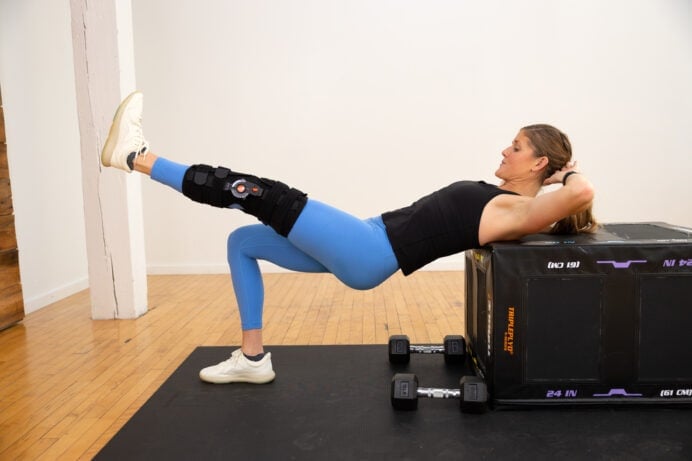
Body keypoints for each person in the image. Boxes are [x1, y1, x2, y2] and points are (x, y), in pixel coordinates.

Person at [101, 91, 596, 384]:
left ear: (539, 163)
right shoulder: (504, 195)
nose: (504, 150)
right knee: (244, 241)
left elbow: (583, 193)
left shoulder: (519, 210)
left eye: (517, 147)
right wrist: (557, 177)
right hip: (368, 234)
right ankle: (252, 359)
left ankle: (137, 156)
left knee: (265, 194)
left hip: (372, 254)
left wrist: (567, 175)